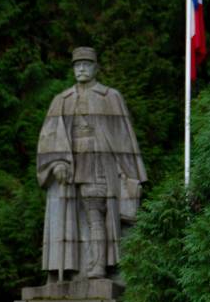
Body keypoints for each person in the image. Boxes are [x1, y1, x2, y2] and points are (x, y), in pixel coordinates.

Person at [36, 46, 147, 281]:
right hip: (69, 168)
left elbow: (124, 138)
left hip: (98, 165)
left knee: (96, 215)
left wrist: (130, 174)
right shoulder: (61, 100)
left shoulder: (110, 97)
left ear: (96, 68)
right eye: (78, 65)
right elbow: (49, 137)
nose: (82, 69)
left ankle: (98, 267)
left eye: (87, 64)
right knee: (68, 221)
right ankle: (67, 271)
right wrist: (56, 162)